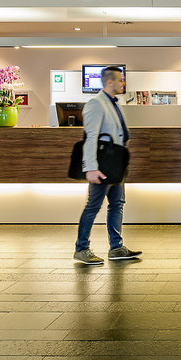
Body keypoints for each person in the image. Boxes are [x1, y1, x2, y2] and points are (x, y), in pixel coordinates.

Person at [73, 66, 142, 264]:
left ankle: (116, 248)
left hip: (116, 164)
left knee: (117, 204)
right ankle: (81, 248)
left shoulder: (113, 104)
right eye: (121, 79)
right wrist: (90, 167)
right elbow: (90, 137)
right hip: (102, 164)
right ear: (110, 82)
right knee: (93, 206)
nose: (123, 83)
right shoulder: (96, 104)